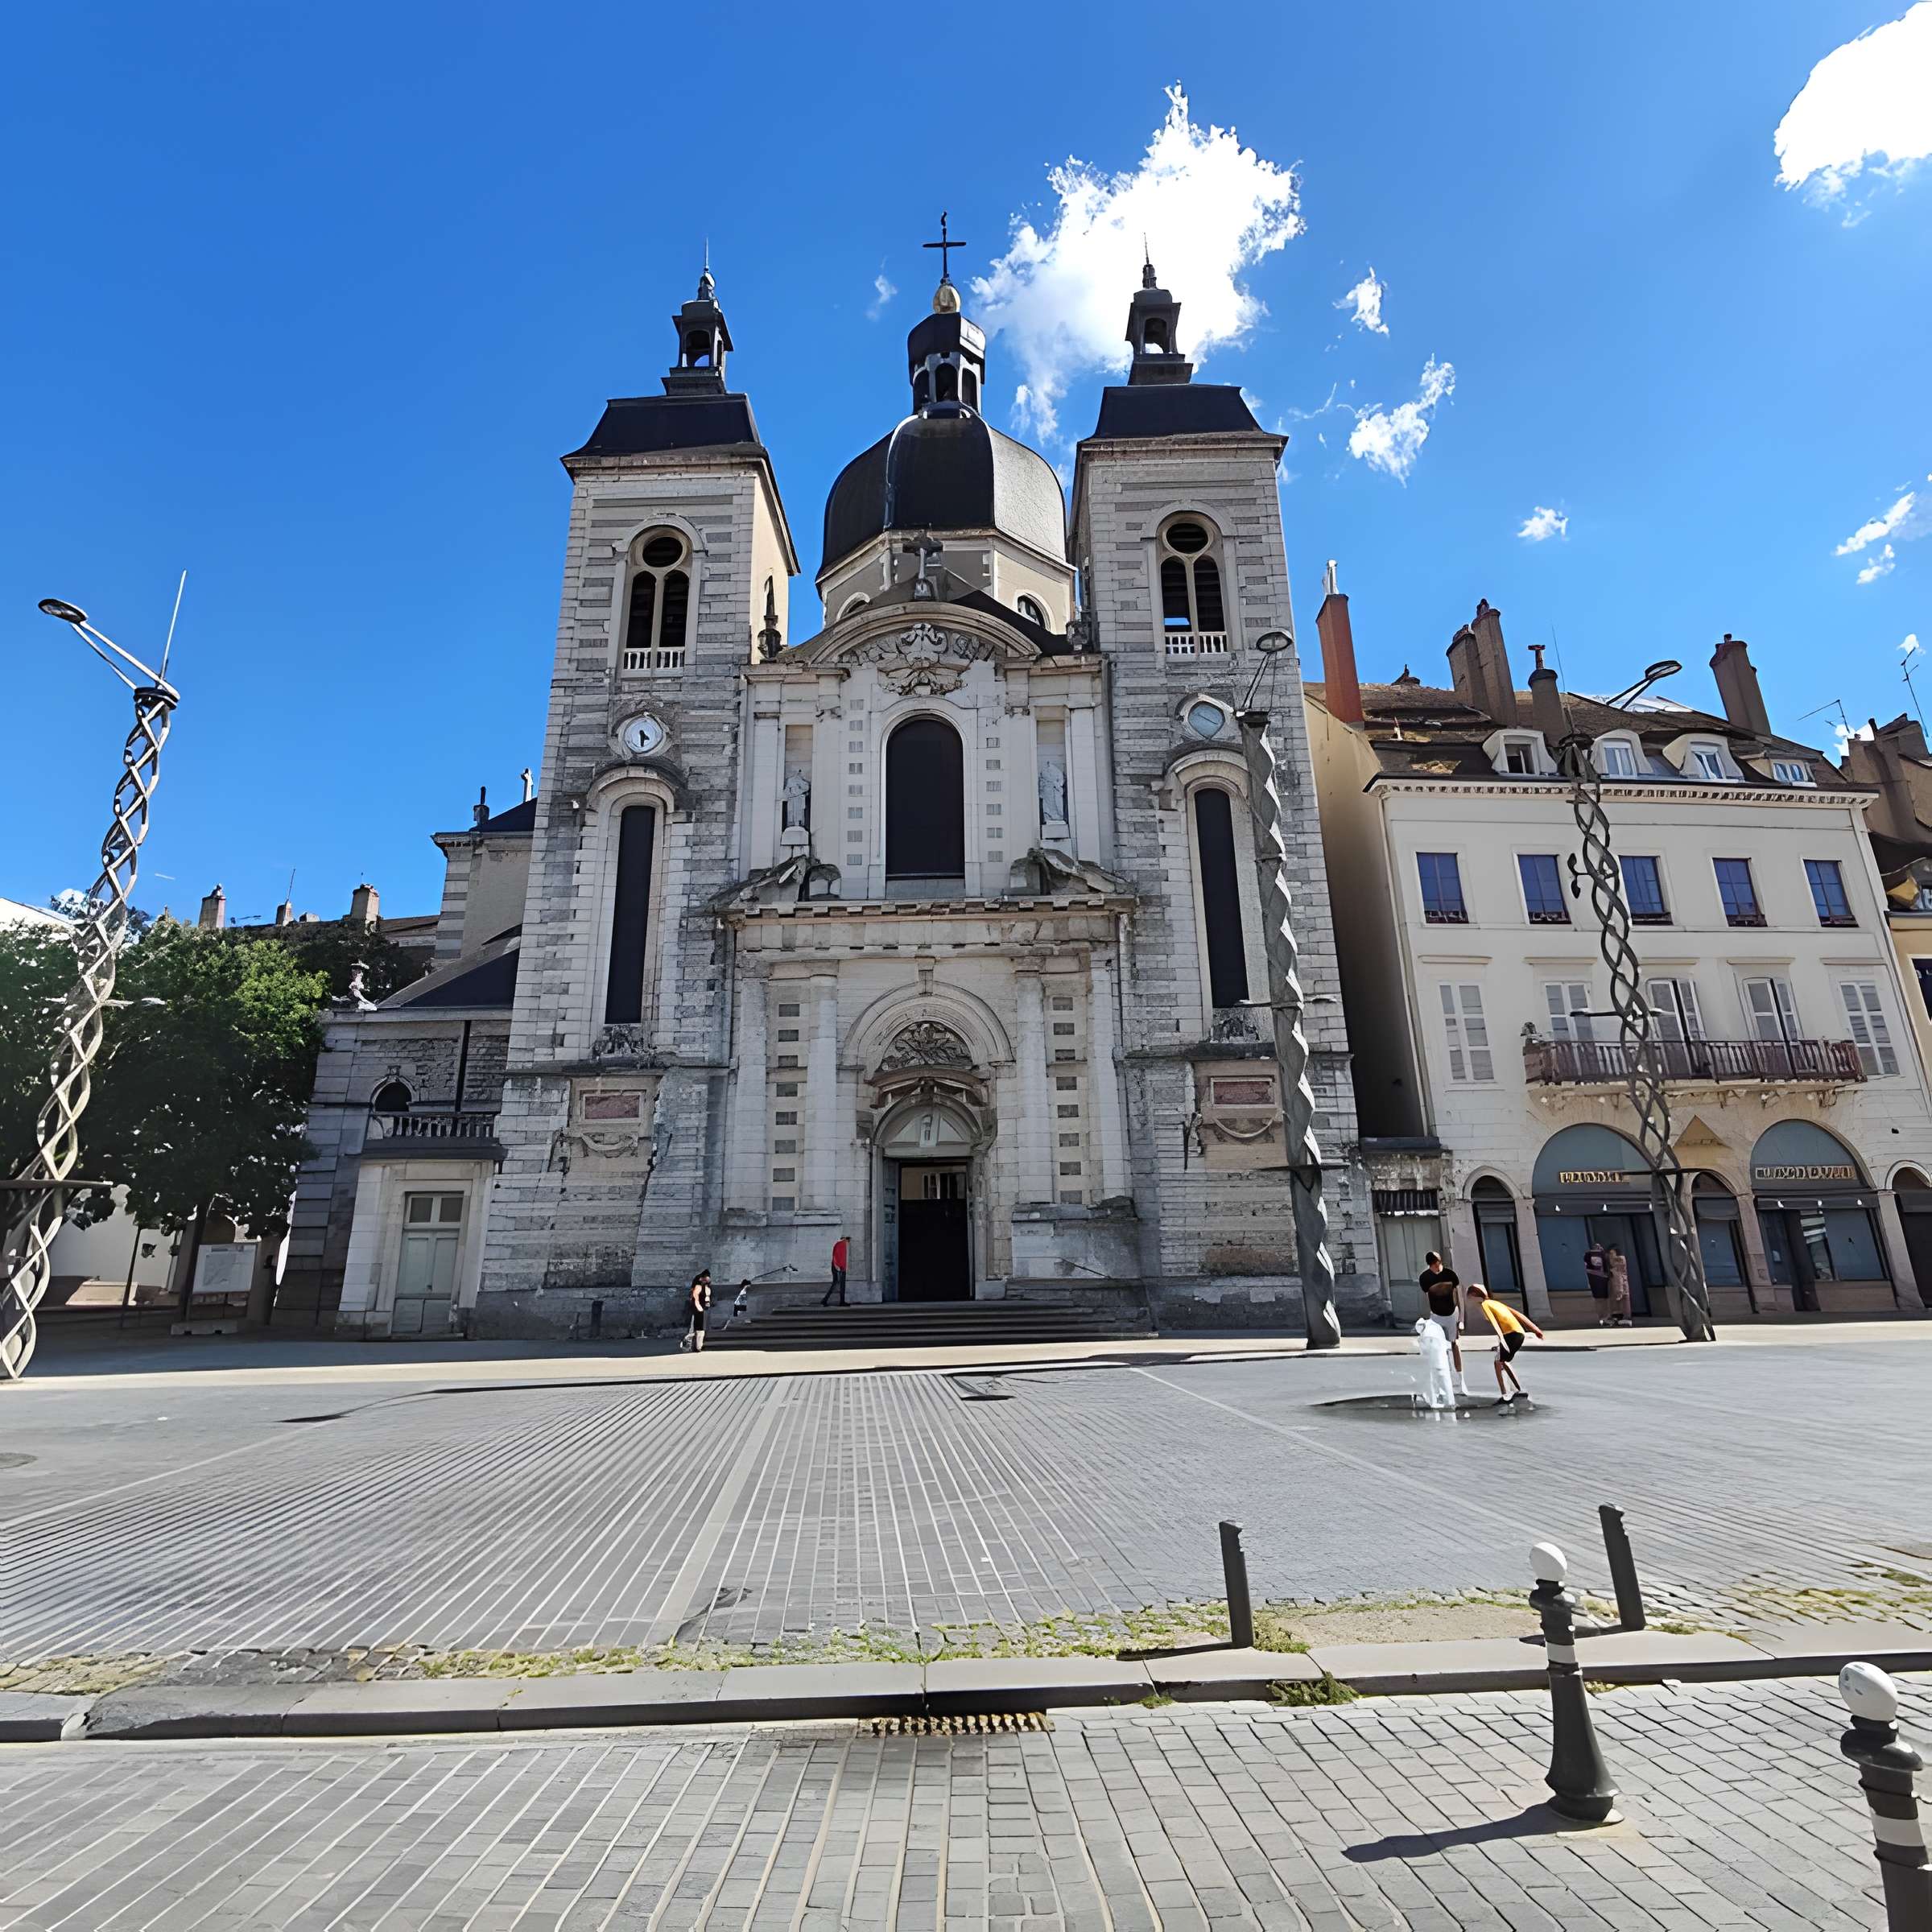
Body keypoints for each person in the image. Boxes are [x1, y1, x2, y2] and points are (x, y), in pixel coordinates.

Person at [1467, 1283, 1545, 1404]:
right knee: (1503, 1361)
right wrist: (1535, 1329)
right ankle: (1518, 1390)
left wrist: (1502, 1340)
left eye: (1469, 1297)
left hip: (1510, 1335)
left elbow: (1495, 1323)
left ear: (1474, 1295)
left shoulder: (1485, 1305)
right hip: (1519, 1333)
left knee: (1498, 1362)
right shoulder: (1496, 1303)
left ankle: (1506, 1394)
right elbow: (1518, 1315)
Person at [1418, 1250, 1465, 1389]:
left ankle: (1460, 1378)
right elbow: (1428, 1298)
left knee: (1454, 1343)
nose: (1437, 1267)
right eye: (1434, 1265)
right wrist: (1429, 1318)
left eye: (1438, 1264)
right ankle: (1447, 1376)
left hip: (1451, 1313)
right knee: (1439, 1346)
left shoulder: (1450, 1275)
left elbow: (1459, 1296)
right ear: (1429, 1265)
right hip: (1436, 1315)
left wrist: (1461, 1319)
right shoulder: (1425, 1278)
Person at [683, 1269, 712, 1352]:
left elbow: (707, 1298)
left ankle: (698, 1347)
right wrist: (699, 1309)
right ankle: (688, 1342)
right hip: (697, 1310)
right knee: (695, 1329)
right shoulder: (698, 1287)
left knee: (701, 1330)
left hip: (702, 1310)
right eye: (706, 1279)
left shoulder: (707, 1288)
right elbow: (696, 1298)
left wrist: (707, 1304)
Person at [1604, 1244, 1633, 1327]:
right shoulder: (1619, 1262)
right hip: (1620, 1286)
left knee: (1621, 1302)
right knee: (1623, 1302)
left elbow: (1619, 1277)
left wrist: (1619, 1290)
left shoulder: (1617, 1263)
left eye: (1611, 1254)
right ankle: (1624, 1318)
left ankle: (1624, 1319)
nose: (1610, 1256)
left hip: (1620, 1287)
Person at [1583, 1241, 1609, 1323]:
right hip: (1603, 1278)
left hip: (1593, 1278)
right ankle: (1605, 1317)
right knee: (1604, 1300)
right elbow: (1607, 1266)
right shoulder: (1603, 1254)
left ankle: (1601, 1318)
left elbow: (1585, 1266)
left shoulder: (1587, 1255)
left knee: (1598, 1300)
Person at [821, 1232, 849, 1307]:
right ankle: (826, 1300)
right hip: (839, 1268)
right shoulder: (841, 1244)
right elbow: (837, 1256)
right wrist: (839, 1267)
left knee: (839, 1284)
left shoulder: (840, 1244)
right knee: (838, 1284)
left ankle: (840, 1301)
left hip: (839, 1267)